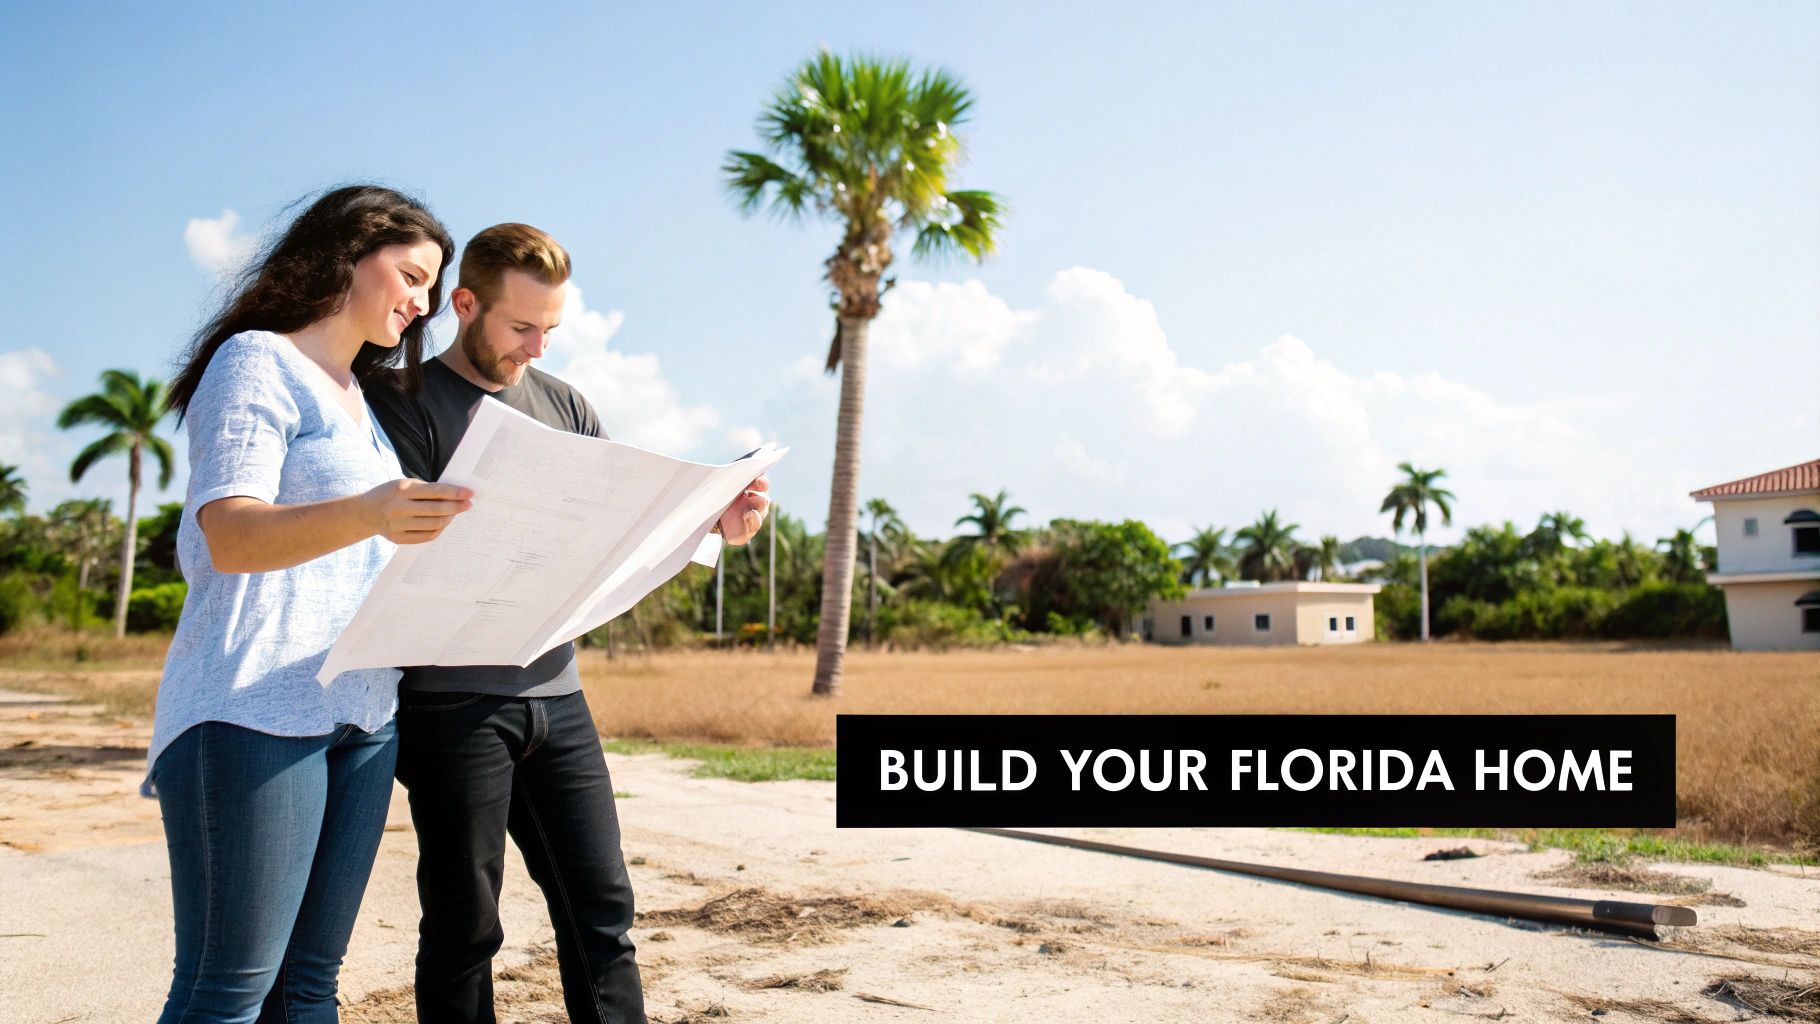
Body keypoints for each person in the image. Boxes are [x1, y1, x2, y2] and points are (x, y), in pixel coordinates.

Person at [368, 223, 768, 1024]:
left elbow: (615, 532)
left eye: (550, 330)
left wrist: (712, 523)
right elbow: (392, 551)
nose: (537, 349)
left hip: (558, 693)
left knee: (602, 910)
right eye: (522, 328)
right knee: (463, 924)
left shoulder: (565, 404)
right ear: (464, 304)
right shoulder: (400, 401)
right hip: (450, 707)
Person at [151, 184, 475, 1024]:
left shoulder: (360, 400)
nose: (422, 302)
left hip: (363, 715)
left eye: (432, 289)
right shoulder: (257, 359)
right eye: (410, 275)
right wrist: (372, 511)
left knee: (309, 987)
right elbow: (232, 534)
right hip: (252, 709)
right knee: (229, 990)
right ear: (348, 253)